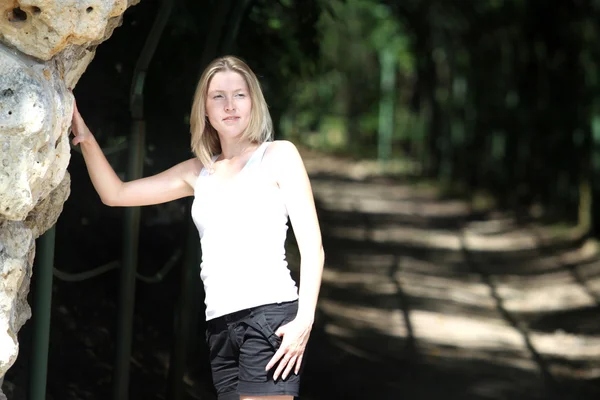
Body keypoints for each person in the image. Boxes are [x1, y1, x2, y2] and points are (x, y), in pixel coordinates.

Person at [70, 55, 324, 400]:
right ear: (204, 109)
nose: (230, 105)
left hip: (271, 316)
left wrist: (304, 320)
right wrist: (85, 138)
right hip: (220, 325)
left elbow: (312, 247)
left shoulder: (278, 155)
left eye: (240, 95)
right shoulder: (198, 170)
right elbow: (116, 194)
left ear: (254, 103)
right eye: (218, 96)